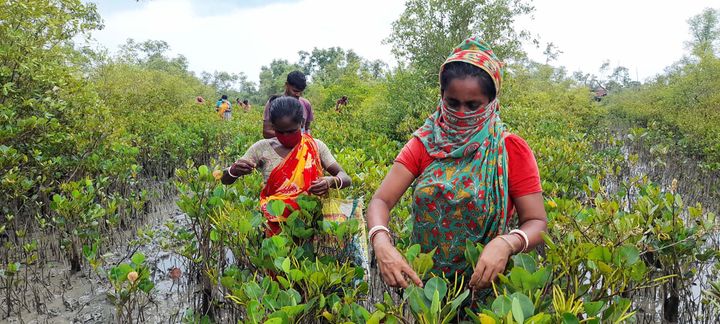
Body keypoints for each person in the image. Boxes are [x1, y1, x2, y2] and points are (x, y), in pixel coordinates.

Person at [366, 36, 547, 291]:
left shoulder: (509, 149)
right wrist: (381, 242)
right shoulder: (425, 143)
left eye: (473, 105)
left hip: (487, 285)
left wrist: (507, 243)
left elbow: (537, 221)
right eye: (453, 103)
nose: (461, 114)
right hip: (428, 290)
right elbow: (380, 201)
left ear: (492, 102)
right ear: (441, 96)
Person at [222, 96, 351, 236]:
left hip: (310, 224)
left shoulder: (315, 146)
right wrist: (234, 171)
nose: (285, 136)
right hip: (275, 227)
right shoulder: (261, 148)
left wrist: (332, 181)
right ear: (273, 127)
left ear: (301, 123)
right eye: (280, 132)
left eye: (291, 131)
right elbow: (225, 179)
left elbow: (345, 177)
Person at [263, 71, 314, 138]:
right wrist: (289, 137)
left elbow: (307, 129)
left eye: (300, 92)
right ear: (286, 85)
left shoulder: (306, 104)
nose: (298, 95)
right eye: (295, 91)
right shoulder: (273, 103)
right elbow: (266, 132)